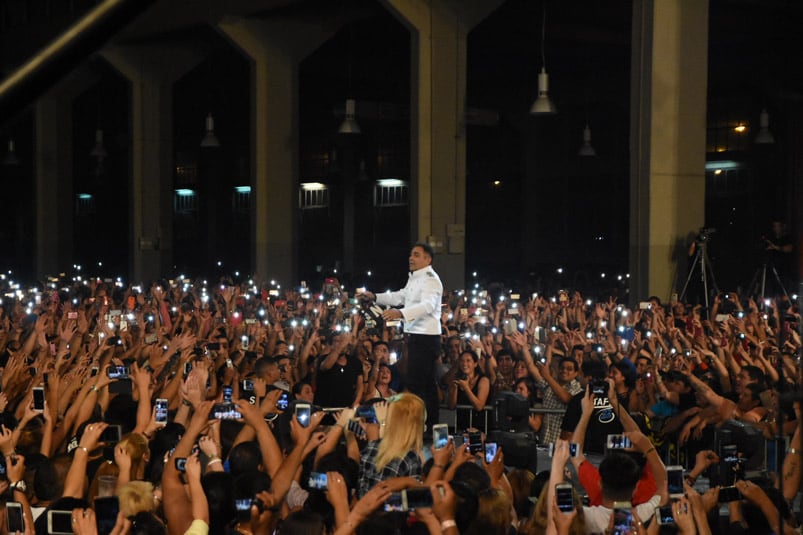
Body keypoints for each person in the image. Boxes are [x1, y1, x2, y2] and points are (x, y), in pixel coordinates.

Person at [359, 242, 444, 435]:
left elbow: (428, 306)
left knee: (416, 386)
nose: (411, 258)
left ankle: (418, 429)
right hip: (417, 337)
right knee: (427, 386)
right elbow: (400, 295)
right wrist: (375, 297)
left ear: (427, 259)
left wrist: (401, 314)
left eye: (416, 255)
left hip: (425, 338)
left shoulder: (431, 279)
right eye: (411, 254)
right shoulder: (415, 278)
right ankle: (430, 428)